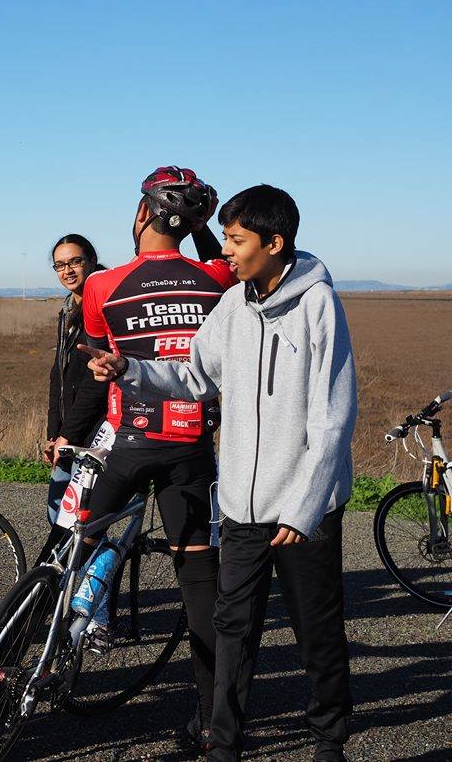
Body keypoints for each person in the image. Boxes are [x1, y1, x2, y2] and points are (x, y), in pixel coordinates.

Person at [82, 185, 355, 762]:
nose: (225, 252)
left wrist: (306, 510)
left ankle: (329, 739)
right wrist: (129, 368)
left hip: (304, 512)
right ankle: (224, 744)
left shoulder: (319, 306)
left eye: (236, 240)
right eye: (226, 238)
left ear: (274, 243)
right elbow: (194, 376)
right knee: (233, 632)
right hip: (241, 508)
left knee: (317, 634)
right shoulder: (233, 306)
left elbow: (332, 420)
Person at [74, 165, 234, 755]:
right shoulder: (218, 278)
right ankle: (215, 718)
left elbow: (100, 347)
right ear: (191, 223)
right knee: (198, 579)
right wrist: (198, 230)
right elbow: (223, 264)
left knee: (76, 546)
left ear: (142, 214)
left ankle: (27, 664)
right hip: (190, 448)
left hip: (127, 444)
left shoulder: (101, 284)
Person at [37, 234, 109, 566]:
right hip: (67, 436)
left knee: (88, 529)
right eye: (60, 265)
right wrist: (55, 433)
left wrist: (68, 434)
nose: (67, 271)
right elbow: (59, 376)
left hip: (94, 434)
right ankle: (67, 602)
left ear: (92, 261)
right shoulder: (68, 310)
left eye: (75, 262)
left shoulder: (104, 306)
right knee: (60, 521)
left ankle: (95, 610)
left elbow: (97, 385)